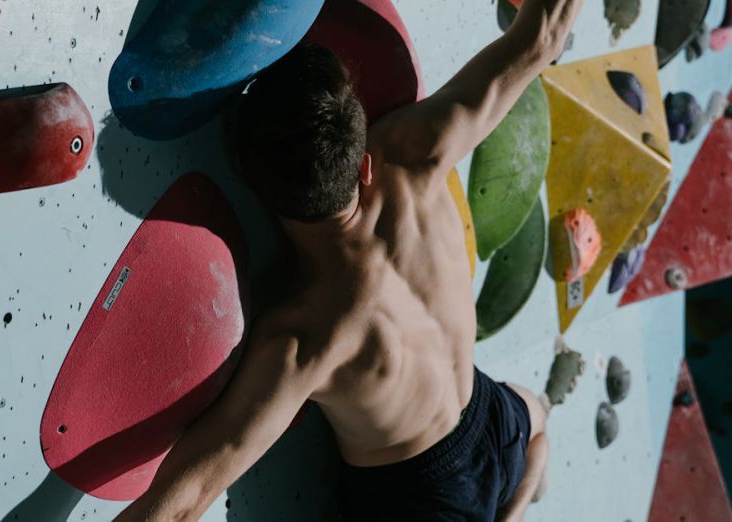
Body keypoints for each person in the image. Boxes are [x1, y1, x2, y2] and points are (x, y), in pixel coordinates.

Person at [116, 0, 584, 520]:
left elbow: (180, 503)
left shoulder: (305, 342)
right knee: (539, 418)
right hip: (489, 417)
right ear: (362, 165)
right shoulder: (416, 153)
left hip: (426, 503)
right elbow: (543, 36)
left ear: (262, 195)